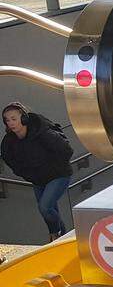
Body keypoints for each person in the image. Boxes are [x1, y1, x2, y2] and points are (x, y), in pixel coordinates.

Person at [1, 102, 73, 240]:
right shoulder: (9, 142)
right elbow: (9, 159)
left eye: (14, 119)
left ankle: (54, 234)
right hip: (37, 179)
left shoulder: (42, 132)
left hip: (58, 175)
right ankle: (63, 239)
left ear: (24, 119)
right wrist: (27, 174)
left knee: (45, 207)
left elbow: (66, 150)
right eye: (7, 120)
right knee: (49, 210)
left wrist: (54, 167)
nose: (11, 123)